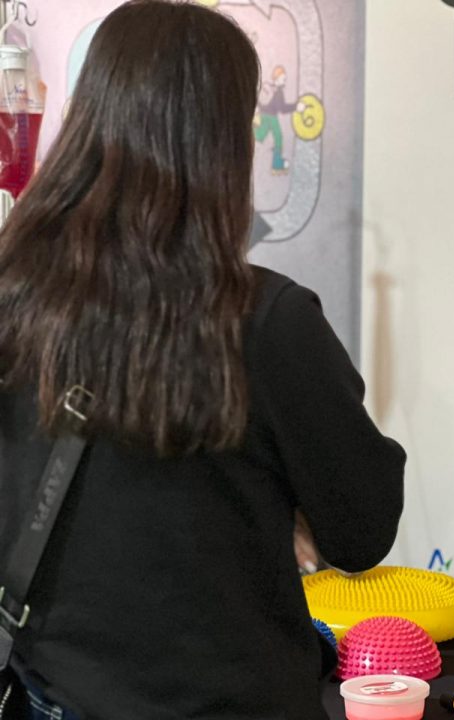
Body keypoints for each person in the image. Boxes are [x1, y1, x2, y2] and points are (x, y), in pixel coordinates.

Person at [0, 2, 404, 718]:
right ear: (221, 138)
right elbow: (361, 529)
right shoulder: (265, 318)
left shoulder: (15, 294)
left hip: (49, 695)